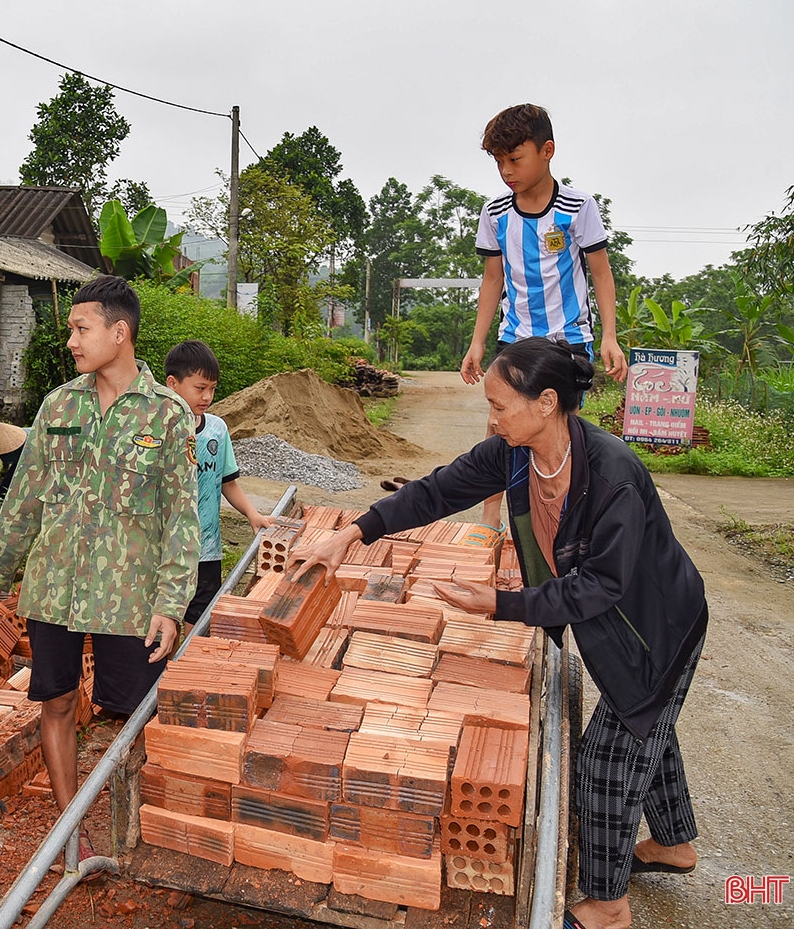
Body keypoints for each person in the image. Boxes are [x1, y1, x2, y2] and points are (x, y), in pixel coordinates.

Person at [289, 338, 707, 929]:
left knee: (606, 759)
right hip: (618, 620)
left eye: (500, 405)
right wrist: (351, 534)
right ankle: (675, 844)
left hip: (654, 628)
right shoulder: (514, 455)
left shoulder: (613, 475)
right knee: (648, 725)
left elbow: (600, 588)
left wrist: (502, 603)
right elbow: (434, 491)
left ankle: (608, 906)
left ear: (547, 403)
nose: (491, 418)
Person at [0, 276, 198, 864]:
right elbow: (24, 496)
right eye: (72, 329)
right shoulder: (59, 406)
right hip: (54, 591)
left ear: (118, 333)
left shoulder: (168, 415)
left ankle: (131, 831)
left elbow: (180, 520)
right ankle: (69, 833)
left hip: (129, 596)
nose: (71, 340)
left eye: (81, 328)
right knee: (59, 704)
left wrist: (171, 604)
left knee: (133, 718)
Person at [460, 104, 629, 533]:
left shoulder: (577, 206)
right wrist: (478, 342)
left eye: (515, 159)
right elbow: (492, 280)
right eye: (499, 162)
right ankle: (490, 516)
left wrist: (609, 336)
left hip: (567, 341)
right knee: (500, 422)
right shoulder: (495, 214)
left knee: (558, 432)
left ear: (547, 150)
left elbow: (601, 273)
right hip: (515, 338)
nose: (506, 171)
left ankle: (558, 520)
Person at [161, 340, 273, 625]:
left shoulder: (216, 429)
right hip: (166, 550)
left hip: (207, 550)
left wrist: (252, 514)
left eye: (212, 388)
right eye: (200, 388)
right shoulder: (157, 430)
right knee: (164, 624)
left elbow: (228, 482)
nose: (207, 396)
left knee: (198, 624)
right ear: (172, 384)